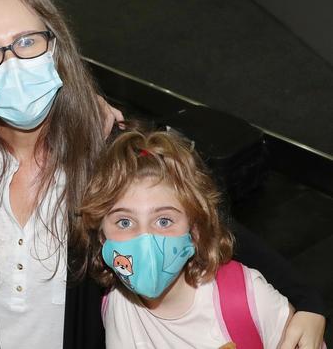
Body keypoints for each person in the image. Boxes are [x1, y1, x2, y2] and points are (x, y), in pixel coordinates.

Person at [0, 0, 326, 348]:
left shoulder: (106, 153)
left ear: (56, 47)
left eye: (27, 42)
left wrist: (305, 301)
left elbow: (205, 222)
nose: (12, 63)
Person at [81, 129, 297, 348]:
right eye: (124, 222)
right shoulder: (113, 305)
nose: (144, 239)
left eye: (164, 221)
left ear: (194, 229)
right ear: (101, 233)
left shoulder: (249, 300)